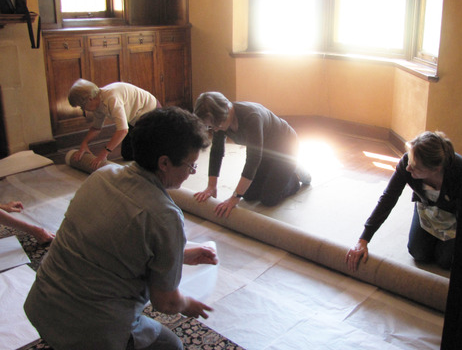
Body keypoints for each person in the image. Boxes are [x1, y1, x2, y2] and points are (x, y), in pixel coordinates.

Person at [25, 107, 218, 350]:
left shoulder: (103, 174)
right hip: (92, 331)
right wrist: (189, 304)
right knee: (171, 346)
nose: (192, 173)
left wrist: (180, 256)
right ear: (165, 163)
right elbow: (165, 303)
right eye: (191, 166)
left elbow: (111, 246)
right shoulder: (165, 215)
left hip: (42, 306)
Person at [346, 131, 462, 271]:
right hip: (426, 208)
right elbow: (388, 198)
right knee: (419, 253)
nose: (408, 168)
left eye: (415, 167)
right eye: (409, 162)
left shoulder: (460, 173)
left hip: (454, 217)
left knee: (445, 261)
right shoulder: (408, 162)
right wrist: (363, 239)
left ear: (436, 169)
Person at [193, 91, 310, 217]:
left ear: (227, 108)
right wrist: (211, 186)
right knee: (248, 195)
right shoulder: (220, 121)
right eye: (211, 126)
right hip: (264, 153)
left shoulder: (251, 116)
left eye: (216, 125)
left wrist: (235, 197)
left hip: (286, 149)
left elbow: (253, 160)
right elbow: (217, 151)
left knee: (269, 198)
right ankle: (280, 172)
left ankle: (295, 174)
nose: (215, 129)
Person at [67, 79, 160, 169]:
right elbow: (96, 128)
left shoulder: (111, 98)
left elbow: (123, 130)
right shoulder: (97, 102)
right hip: (133, 119)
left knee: (146, 157)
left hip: (151, 115)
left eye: (82, 106)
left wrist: (104, 153)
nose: (83, 110)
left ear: (90, 99)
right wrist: (84, 143)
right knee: (128, 154)